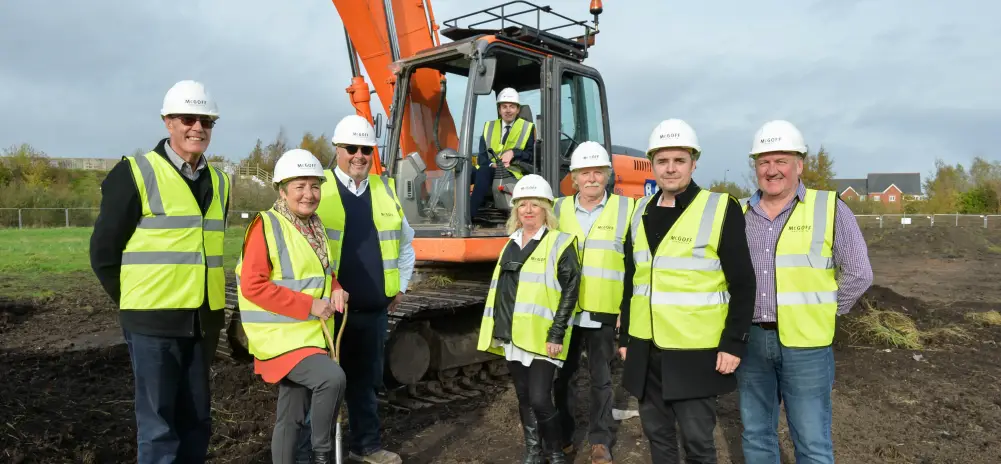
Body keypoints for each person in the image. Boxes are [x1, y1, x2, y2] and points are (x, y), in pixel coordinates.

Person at [89, 80, 229, 464]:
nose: (197, 127)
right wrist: (135, 302)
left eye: (206, 120)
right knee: (158, 428)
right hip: (151, 325)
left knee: (197, 421)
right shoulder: (134, 173)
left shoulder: (220, 181)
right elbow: (103, 252)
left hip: (202, 323)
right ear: (168, 122)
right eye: (188, 118)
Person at [618, 119, 756, 464]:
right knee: (658, 437)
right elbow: (632, 279)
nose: (670, 168)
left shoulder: (719, 208)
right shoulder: (640, 212)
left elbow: (742, 281)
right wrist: (625, 340)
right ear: (653, 165)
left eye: (679, 160)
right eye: (663, 161)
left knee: (698, 442)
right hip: (645, 348)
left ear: (694, 163)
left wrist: (733, 342)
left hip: (695, 349)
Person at [737, 120, 873, 464]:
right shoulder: (738, 213)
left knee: (811, 440)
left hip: (808, 346)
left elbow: (858, 273)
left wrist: (824, 311)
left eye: (781, 160)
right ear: (755, 167)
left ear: (800, 164)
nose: (772, 170)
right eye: (764, 162)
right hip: (750, 340)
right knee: (756, 435)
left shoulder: (829, 208)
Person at [296, 114, 414, 464]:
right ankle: (313, 455)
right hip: (328, 314)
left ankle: (366, 445)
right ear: (338, 149)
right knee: (319, 388)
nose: (359, 155)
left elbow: (405, 244)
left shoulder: (385, 189)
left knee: (365, 385)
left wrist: (401, 286)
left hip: (373, 311)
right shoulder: (317, 190)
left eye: (366, 148)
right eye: (352, 148)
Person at [233, 149, 349, 464]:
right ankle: (321, 455)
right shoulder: (266, 225)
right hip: (280, 337)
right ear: (282, 190)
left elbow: (323, 272)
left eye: (315, 186)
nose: (309, 194)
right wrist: (310, 305)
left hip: (308, 335)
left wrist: (336, 288)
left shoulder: (314, 226)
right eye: (300, 186)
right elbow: (252, 285)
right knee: (332, 378)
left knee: (291, 413)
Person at [475, 173, 581, 464]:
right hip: (513, 334)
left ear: (546, 209)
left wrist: (557, 333)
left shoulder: (561, 243)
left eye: (535, 204)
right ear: (516, 210)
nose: (528, 210)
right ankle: (533, 452)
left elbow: (571, 291)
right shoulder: (510, 243)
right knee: (524, 399)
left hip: (543, 336)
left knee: (540, 399)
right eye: (523, 205)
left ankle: (555, 452)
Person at [551, 141, 633, 464]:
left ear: (607, 176)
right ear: (574, 177)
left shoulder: (626, 209)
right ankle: (564, 436)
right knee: (563, 377)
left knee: (601, 379)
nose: (592, 179)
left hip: (604, 311)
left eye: (598, 172)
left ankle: (600, 440)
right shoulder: (557, 210)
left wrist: (625, 311)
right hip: (566, 313)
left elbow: (633, 265)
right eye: (585, 173)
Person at [469, 87, 537, 221]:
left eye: (512, 106)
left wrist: (514, 153)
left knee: (483, 172)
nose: (508, 110)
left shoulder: (527, 128)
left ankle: (468, 216)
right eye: (504, 106)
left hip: (512, 171)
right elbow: (483, 155)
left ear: (518, 109)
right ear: (499, 110)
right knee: (464, 171)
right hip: (490, 167)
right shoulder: (489, 127)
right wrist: (491, 164)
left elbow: (531, 156)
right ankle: (449, 212)